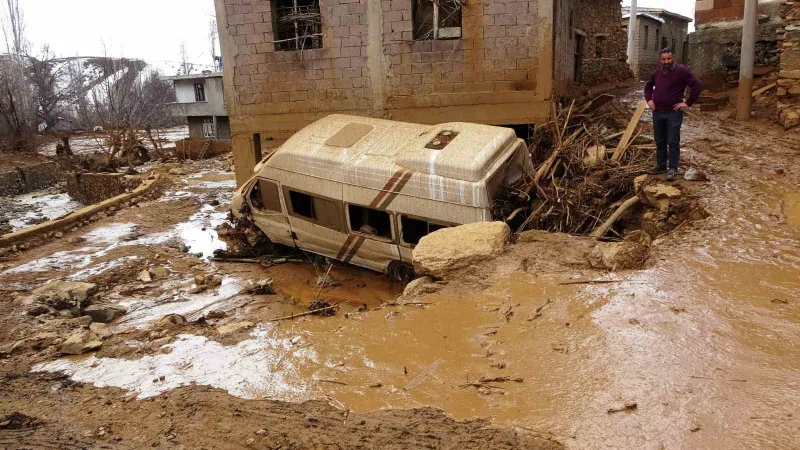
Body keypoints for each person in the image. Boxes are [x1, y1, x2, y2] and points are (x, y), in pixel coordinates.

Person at [644, 48, 703, 181]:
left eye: (669, 59)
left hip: (673, 113)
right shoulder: (657, 73)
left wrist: (688, 102)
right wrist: (649, 100)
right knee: (659, 140)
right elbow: (648, 87)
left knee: (673, 141)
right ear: (660, 60)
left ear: (673, 58)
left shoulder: (682, 71)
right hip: (657, 112)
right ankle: (661, 165)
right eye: (664, 59)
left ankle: (673, 169)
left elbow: (697, 86)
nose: (666, 62)